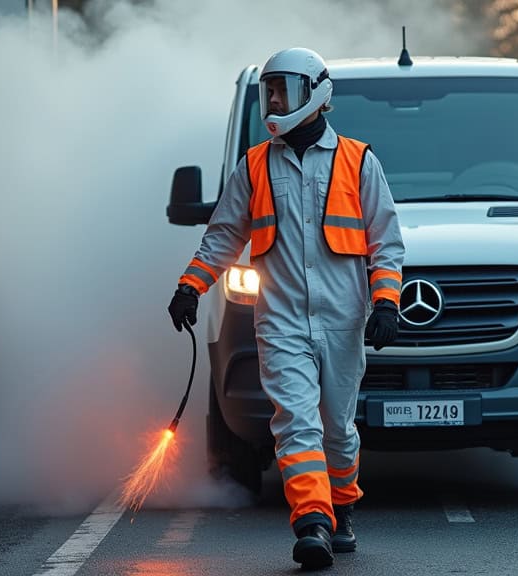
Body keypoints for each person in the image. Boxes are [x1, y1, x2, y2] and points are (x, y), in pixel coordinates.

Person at [168, 47, 404, 570]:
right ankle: (312, 522)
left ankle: (341, 507)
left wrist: (386, 302)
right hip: (280, 320)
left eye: (283, 89)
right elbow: (224, 236)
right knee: (296, 423)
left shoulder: (358, 161)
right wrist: (192, 285)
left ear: (315, 95)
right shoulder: (254, 166)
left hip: (343, 321)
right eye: (269, 90)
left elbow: (386, 243)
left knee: (338, 429)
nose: (273, 99)